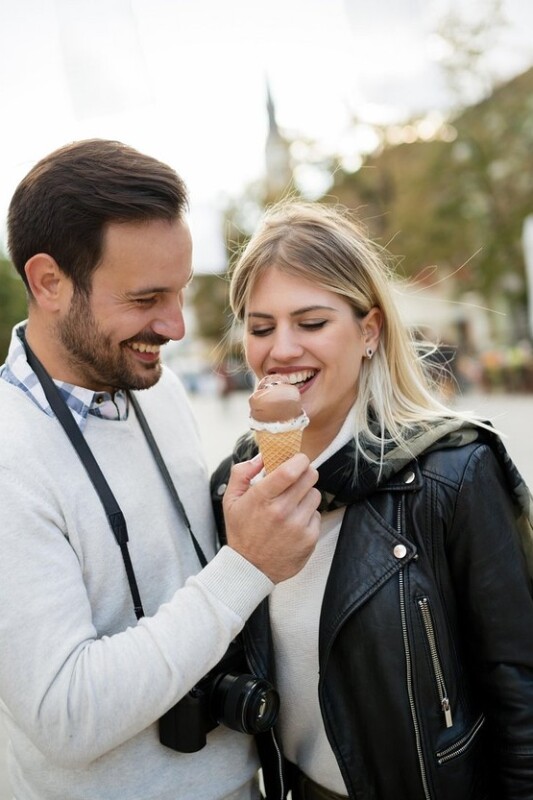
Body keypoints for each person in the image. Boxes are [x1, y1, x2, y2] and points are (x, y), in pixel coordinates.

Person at [0, 140, 322, 800]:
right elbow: (66, 714)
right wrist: (247, 564)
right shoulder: (10, 454)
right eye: (146, 298)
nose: (174, 325)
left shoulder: (160, 390)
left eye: (179, 291)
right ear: (49, 281)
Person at [211, 200, 533, 800]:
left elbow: (521, 695)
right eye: (261, 328)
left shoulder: (456, 475)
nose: (281, 349)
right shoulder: (234, 487)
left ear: (368, 331)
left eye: (311, 323)